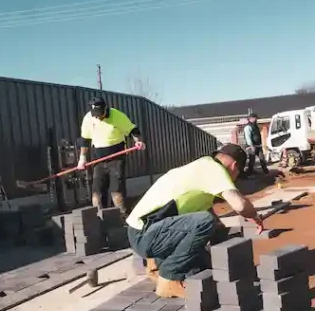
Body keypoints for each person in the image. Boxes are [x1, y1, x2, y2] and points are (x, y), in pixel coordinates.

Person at [125, 144, 263, 298]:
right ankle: (169, 278)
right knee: (205, 221)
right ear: (234, 166)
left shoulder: (201, 167)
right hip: (145, 234)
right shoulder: (215, 170)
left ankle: (157, 266)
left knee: (202, 265)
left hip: (144, 231)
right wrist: (255, 217)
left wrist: (225, 253)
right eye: (237, 174)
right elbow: (240, 205)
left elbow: (208, 219)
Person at [78, 97, 143, 217]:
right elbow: (85, 140)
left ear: (105, 109)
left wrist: (138, 141)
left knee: (116, 194)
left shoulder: (117, 116)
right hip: (99, 160)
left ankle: (123, 219)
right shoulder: (88, 118)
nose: (98, 117)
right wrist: (82, 158)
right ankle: (99, 220)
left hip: (116, 159)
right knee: (96, 196)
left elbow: (132, 130)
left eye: (100, 114)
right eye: (95, 115)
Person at [242, 110, 268, 176]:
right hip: (251, 147)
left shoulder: (255, 126)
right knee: (252, 160)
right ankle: (249, 174)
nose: (257, 120)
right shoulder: (248, 127)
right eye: (256, 118)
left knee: (262, 158)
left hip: (258, 146)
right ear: (252, 118)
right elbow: (248, 137)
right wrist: (251, 146)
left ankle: (266, 172)